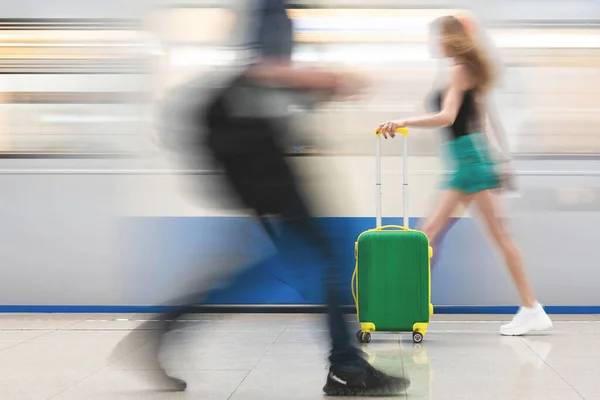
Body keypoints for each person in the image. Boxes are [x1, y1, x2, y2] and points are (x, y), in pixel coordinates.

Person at [112, 0, 410, 397]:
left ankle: (166, 328)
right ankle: (346, 367)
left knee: (274, 267)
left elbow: (265, 80)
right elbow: (264, 70)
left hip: (256, 159)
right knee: (324, 257)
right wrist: (327, 80)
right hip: (261, 160)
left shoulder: (273, 10)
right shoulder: (273, 9)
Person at [377, 15, 553, 336]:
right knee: (456, 234)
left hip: (469, 162)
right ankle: (531, 307)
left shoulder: (459, 69)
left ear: (450, 38)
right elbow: (484, 121)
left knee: (429, 234)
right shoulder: (470, 71)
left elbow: (448, 117)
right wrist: (500, 162)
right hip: (473, 158)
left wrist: (402, 121)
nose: (436, 43)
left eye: (438, 37)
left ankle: (403, 306)